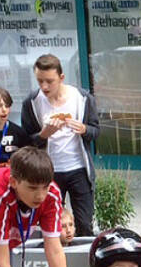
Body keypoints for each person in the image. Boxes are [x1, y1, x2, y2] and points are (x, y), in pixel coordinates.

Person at [21, 54, 99, 237]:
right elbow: (26, 142)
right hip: (49, 171)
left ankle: (84, 263)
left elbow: (96, 131)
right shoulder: (32, 103)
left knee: (84, 224)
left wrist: (84, 129)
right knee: (51, 224)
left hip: (78, 168)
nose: (44, 87)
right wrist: (43, 135)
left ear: (61, 78)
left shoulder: (82, 98)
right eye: (40, 81)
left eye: (50, 81)